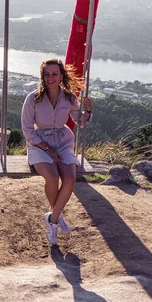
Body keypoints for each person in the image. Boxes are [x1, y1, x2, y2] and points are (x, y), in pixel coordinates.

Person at [21, 58, 92, 245]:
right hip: (39, 144)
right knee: (52, 177)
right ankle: (57, 216)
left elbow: (81, 122)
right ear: (42, 76)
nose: (50, 78)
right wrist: (47, 149)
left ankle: (52, 218)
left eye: (54, 74)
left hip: (62, 142)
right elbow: (28, 131)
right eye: (47, 74)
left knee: (69, 179)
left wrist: (88, 110)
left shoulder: (69, 97)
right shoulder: (33, 99)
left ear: (61, 76)